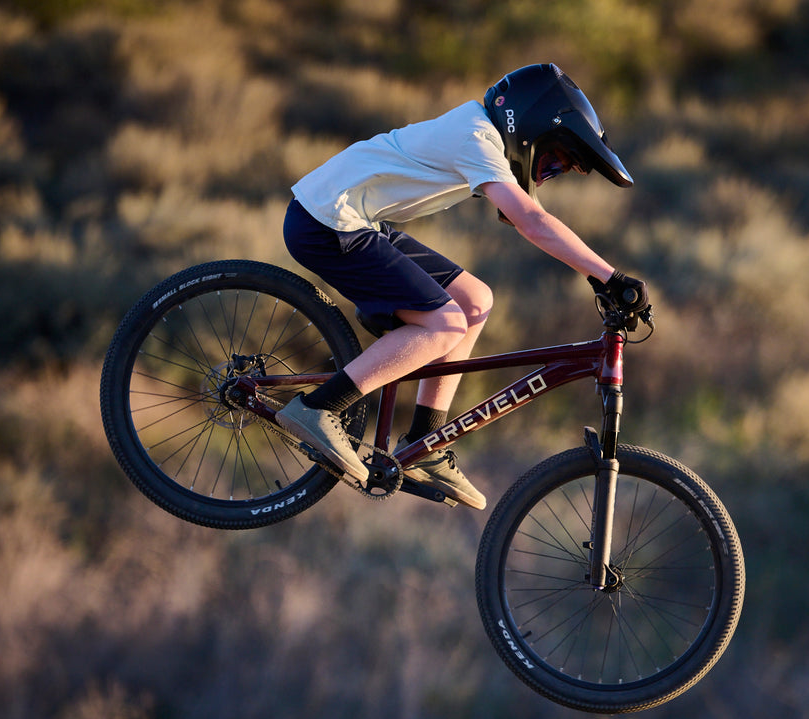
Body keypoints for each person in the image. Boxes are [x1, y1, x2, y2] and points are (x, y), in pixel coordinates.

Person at [277, 63, 648, 510]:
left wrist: (601, 276)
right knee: (444, 324)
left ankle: (423, 446)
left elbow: (520, 213)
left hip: (358, 221)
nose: (545, 173)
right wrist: (609, 277)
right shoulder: (477, 136)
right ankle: (318, 408)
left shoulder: (480, 136)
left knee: (475, 301)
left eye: (558, 171)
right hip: (326, 222)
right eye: (551, 161)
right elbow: (530, 219)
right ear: (526, 126)